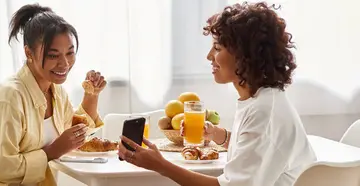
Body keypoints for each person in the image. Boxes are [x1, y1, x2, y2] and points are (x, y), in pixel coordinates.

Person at [118, 2, 317, 186]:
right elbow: (254, 150)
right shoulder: (260, 100)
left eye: (217, 48)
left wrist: (161, 166)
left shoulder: (264, 111)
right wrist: (217, 135)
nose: (209, 56)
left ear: (245, 55)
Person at [0, 3, 107, 186]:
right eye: (53, 55)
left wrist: (91, 95)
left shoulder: (55, 91)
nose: (64, 63)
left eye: (70, 53)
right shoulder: (8, 99)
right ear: (28, 52)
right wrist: (52, 151)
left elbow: (73, 136)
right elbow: (4, 169)